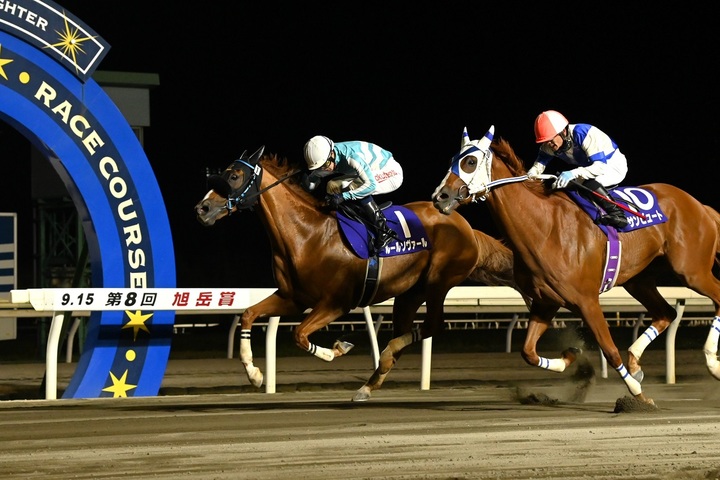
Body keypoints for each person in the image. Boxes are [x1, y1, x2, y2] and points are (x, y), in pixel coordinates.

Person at [527, 110, 629, 229]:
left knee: (585, 183)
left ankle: (618, 214)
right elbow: (538, 165)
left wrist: (573, 173)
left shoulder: (583, 133)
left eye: (550, 139)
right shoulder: (550, 144)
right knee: (560, 186)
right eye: (545, 141)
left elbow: (600, 167)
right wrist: (531, 174)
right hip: (592, 167)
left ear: (563, 132)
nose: (549, 144)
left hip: (612, 165)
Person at [303, 135, 404, 250]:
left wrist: (344, 196)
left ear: (331, 154)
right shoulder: (327, 158)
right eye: (320, 167)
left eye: (325, 165)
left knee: (355, 187)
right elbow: (312, 182)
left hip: (390, 171)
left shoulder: (351, 157)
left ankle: (384, 231)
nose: (325, 169)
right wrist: (305, 183)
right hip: (369, 170)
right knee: (332, 185)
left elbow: (370, 185)